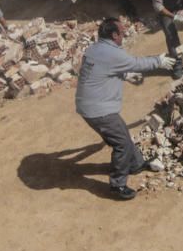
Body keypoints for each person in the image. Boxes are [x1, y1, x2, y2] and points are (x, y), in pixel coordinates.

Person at [75, 16, 177, 201]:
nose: (124, 35)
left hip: (90, 105)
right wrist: (158, 61)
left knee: (122, 134)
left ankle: (136, 164)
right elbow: (136, 63)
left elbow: (103, 72)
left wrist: (123, 74)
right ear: (114, 35)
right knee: (121, 143)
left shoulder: (94, 49)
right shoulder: (112, 53)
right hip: (99, 110)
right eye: (122, 33)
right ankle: (117, 185)